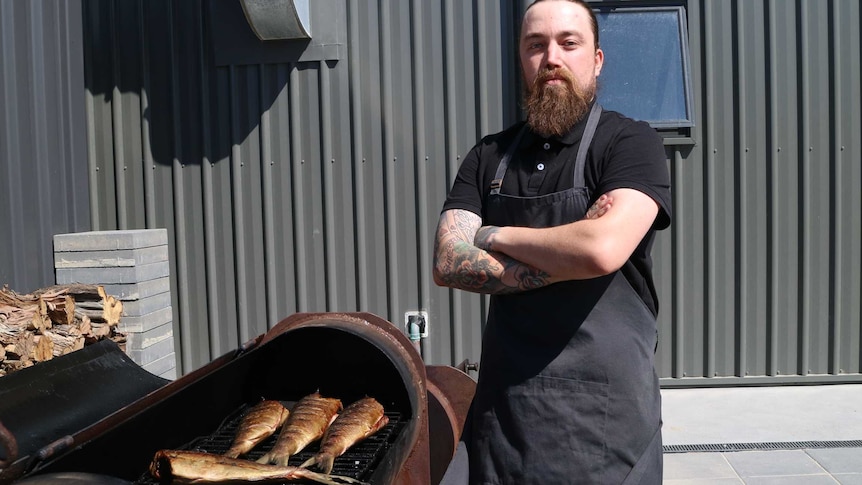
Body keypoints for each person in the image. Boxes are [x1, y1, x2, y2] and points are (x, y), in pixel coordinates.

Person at [432, 0, 672, 483]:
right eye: (535, 45)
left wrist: (494, 234)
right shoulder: (489, 156)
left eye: (569, 42)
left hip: (606, 425)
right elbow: (448, 262)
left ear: (597, 59)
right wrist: (572, 246)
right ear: (522, 59)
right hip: (507, 416)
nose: (552, 57)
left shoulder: (630, 143)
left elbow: (601, 250)